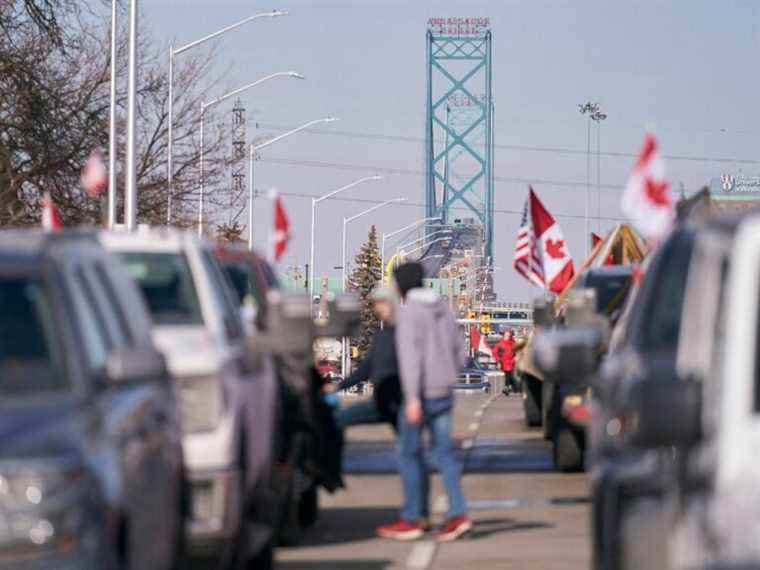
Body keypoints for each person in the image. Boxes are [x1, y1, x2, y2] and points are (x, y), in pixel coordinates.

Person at [377, 262, 472, 542]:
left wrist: (413, 398)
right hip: (444, 391)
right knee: (445, 455)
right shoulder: (444, 309)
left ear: (401, 285)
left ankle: (412, 518)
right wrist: (449, 376)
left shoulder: (409, 314)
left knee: (408, 454)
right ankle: (458, 515)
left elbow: (410, 360)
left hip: (421, 394)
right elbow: (460, 350)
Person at [329, 286, 403, 429]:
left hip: (402, 402)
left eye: (383, 303)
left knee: (410, 446)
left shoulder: (405, 332)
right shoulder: (382, 336)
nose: (379, 308)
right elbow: (365, 370)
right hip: (382, 402)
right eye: (376, 304)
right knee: (338, 419)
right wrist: (337, 386)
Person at [493, 330, 518, 394]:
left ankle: (507, 387)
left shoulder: (513, 344)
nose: (507, 337)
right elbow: (495, 352)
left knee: (508, 374)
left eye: (508, 335)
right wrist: (498, 360)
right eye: (506, 335)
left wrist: (514, 359)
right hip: (503, 362)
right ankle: (513, 386)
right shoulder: (500, 344)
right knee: (509, 374)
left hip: (511, 362)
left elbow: (517, 353)